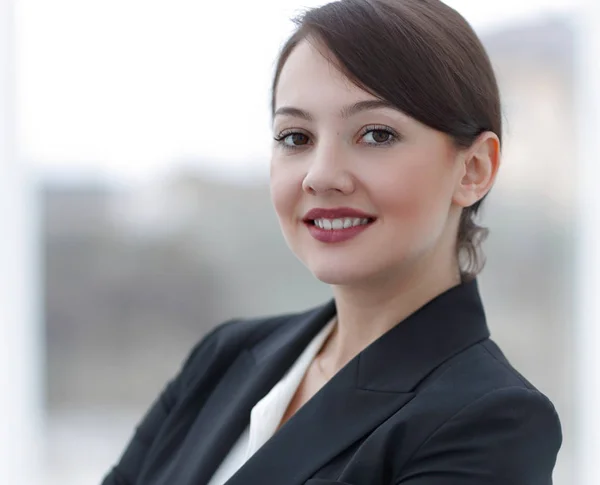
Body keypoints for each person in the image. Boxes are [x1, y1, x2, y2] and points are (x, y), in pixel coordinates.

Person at [101, 1, 562, 484]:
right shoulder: (224, 358)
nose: (320, 176)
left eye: (377, 134)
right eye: (296, 137)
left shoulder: (492, 423)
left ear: (474, 169)